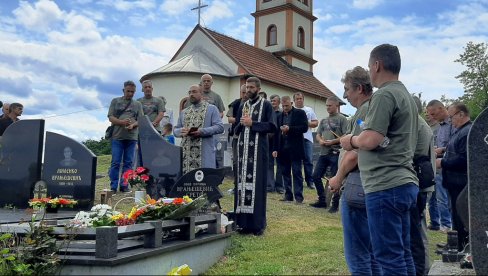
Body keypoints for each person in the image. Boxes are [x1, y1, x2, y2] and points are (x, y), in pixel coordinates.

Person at [340, 44, 419, 275]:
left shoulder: (384, 94)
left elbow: (371, 139)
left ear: (376, 65)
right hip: (403, 182)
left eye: (369, 65)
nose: (369, 70)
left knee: (388, 259)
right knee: (402, 255)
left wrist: (351, 140)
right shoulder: (404, 93)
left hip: (385, 186)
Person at [329, 66, 381, 276]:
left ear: (359, 89)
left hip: (358, 185)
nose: (345, 95)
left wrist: (337, 177)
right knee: (373, 253)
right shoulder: (374, 108)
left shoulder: (366, 111)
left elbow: (356, 152)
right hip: (372, 186)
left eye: (347, 89)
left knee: (358, 254)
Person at [234, 77, 276, 236]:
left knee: (257, 186)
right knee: (241, 186)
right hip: (242, 153)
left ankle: (257, 225)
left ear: (258, 89)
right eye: (246, 87)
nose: (248, 90)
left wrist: (253, 124)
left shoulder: (266, 105)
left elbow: (272, 126)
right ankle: (242, 223)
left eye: (251, 87)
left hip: (258, 152)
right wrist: (239, 127)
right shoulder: (243, 105)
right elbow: (238, 125)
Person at [436, 102, 472, 252]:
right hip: (453, 182)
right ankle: (455, 243)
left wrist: (442, 162)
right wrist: (443, 150)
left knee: (460, 216)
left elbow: (464, 160)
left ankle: (462, 246)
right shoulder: (460, 131)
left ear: (461, 114)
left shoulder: (467, 131)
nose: (450, 121)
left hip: (460, 182)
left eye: (452, 117)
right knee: (455, 215)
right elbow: (455, 150)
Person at [411, 95, 436, 276]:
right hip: (423, 183)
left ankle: (422, 269)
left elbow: (412, 154)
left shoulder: (416, 125)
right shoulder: (421, 124)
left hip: (419, 183)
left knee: (418, 230)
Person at [174, 84, 224, 173]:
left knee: (205, 182)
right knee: (187, 183)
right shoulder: (184, 112)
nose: (191, 94)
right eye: (189, 92)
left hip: (204, 153)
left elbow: (220, 127)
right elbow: (175, 130)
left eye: (194, 92)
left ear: (201, 94)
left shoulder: (212, 109)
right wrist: (181, 131)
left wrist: (201, 131)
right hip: (187, 155)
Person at [309, 96, 348, 212]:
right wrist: (320, 140)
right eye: (326, 105)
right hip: (324, 152)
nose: (327, 108)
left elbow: (346, 135)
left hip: (336, 152)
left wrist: (333, 141)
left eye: (330, 106)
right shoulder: (324, 120)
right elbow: (318, 134)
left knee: (336, 178)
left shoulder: (342, 119)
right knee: (316, 176)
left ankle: (334, 205)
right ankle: (322, 200)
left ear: (337, 106)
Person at [107, 80, 144, 194]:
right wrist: (122, 122)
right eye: (128, 91)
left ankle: (124, 185)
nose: (130, 94)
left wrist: (133, 125)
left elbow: (141, 119)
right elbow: (110, 117)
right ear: (123, 90)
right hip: (117, 136)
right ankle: (113, 186)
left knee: (128, 162)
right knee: (116, 162)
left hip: (131, 137)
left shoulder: (137, 104)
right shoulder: (115, 101)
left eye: (132, 92)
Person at [273, 96, 308, 203]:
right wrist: (275, 149)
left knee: (297, 173)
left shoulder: (300, 113)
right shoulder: (279, 116)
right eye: (283, 106)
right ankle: (288, 195)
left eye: (287, 105)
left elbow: (304, 128)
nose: (285, 108)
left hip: (295, 148)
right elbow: (276, 133)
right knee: (285, 173)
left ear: (291, 103)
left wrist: (290, 129)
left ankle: (298, 197)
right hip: (283, 149)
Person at [426, 100, 453, 232]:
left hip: (447, 166)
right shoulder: (440, 126)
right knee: (437, 198)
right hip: (438, 167)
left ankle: (447, 225)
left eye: (433, 113)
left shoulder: (452, 124)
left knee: (444, 199)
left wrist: (440, 150)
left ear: (441, 109)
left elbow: (454, 145)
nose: (431, 116)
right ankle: (442, 225)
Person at [293, 92, 318, 189]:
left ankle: (310, 181)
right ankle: (298, 181)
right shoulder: (292, 110)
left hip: (307, 139)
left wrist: (306, 123)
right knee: (296, 161)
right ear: (294, 101)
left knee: (308, 160)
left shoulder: (309, 110)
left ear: (303, 99)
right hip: (295, 139)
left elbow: (316, 123)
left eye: (301, 98)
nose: (299, 100)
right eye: (297, 99)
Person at [227, 85, 249, 192]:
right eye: (243, 92)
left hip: (250, 136)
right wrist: (241, 120)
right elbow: (229, 119)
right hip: (236, 136)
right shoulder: (235, 103)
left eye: (246, 92)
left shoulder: (254, 105)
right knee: (236, 161)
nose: (245, 95)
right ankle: (236, 185)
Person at [269, 94, 284, 194]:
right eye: (271, 100)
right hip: (268, 142)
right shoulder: (267, 113)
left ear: (279, 102)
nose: (272, 102)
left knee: (280, 165)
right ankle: (270, 185)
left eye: (274, 101)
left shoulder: (282, 113)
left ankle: (279, 186)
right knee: (269, 164)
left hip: (279, 141)